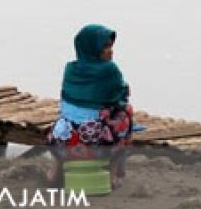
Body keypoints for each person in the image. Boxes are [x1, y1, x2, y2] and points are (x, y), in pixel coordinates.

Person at [47, 24, 135, 188]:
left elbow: (67, 97)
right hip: (95, 145)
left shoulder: (70, 69)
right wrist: (124, 91)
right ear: (94, 48)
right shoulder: (109, 70)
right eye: (106, 47)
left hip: (62, 143)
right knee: (126, 114)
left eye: (110, 46)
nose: (110, 51)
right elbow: (119, 98)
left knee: (65, 120)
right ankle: (113, 172)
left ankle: (55, 171)